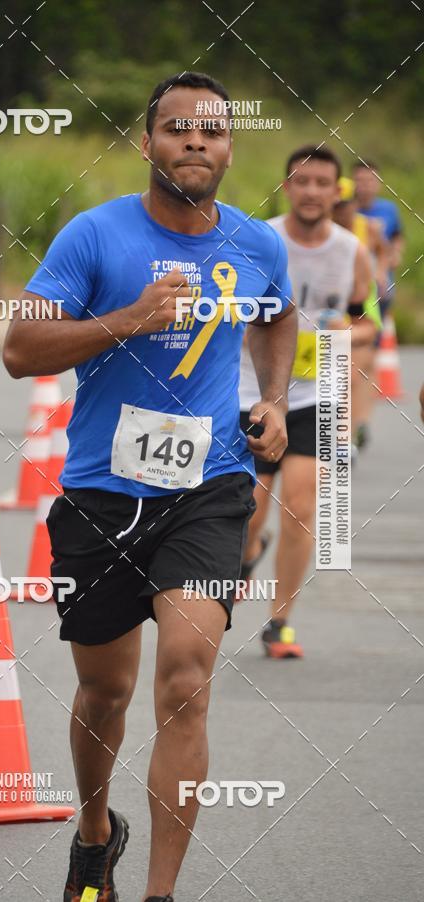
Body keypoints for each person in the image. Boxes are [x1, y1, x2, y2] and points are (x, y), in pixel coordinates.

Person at [3, 71, 297, 902]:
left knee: (184, 679)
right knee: (107, 689)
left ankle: (160, 895)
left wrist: (271, 398)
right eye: (177, 129)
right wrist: (130, 319)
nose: (195, 142)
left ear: (230, 147)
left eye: (212, 130)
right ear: (148, 142)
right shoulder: (93, 238)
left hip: (210, 491)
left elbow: (278, 314)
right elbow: (21, 350)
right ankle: (96, 835)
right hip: (100, 492)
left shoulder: (255, 243)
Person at [238, 146, 377, 659]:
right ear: (286, 188)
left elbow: (370, 325)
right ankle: (248, 553)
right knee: (248, 510)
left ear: (336, 191)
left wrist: (346, 334)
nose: (312, 191)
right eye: (302, 181)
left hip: (316, 394)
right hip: (249, 393)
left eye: (323, 183)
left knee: (300, 505)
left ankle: (280, 623)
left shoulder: (350, 250)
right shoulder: (259, 241)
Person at [333, 177, 386, 451]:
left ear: (355, 204)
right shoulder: (322, 231)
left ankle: (348, 436)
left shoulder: (369, 229)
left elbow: (384, 253)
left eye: (345, 205)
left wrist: (380, 272)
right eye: (335, 205)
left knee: (356, 370)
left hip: (364, 302)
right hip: (334, 305)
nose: (340, 211)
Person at [353, 159, 404, 319]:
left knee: (376, 319)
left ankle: (374, 337)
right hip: (354, 273)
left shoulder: (389, 209)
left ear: (378, 183)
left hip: (381, 274)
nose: (365, 185)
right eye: (360, 181)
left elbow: (397, 235)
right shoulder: (346, 209)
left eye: (370, 180)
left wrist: (396, 253)